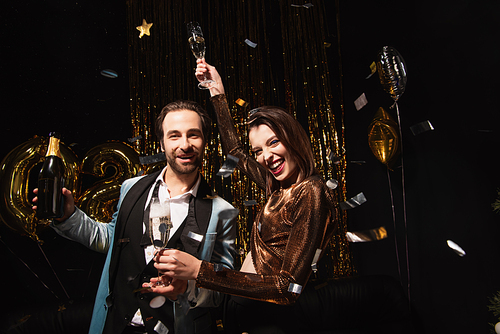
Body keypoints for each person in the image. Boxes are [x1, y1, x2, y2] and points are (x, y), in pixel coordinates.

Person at [146, 60, 344, 333]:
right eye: (259, 150)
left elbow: (288, 288)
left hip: (273, 318)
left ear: (293, 138)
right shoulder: (277, 185)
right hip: (246, 308)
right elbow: (236, 151)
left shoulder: (310, 192)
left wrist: (200, 271)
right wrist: (217, 94)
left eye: (274, 142)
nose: (267, 157)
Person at [32, 100, 237, 334]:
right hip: (116, 324)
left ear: (205, 142)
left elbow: (225, 287)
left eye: (193, 135)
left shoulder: (222, 211)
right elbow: (110, 239)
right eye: (174, 136)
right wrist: (69, 216)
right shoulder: (131, 187)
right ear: (162, 143)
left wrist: (187, 288)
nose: (185, 144)